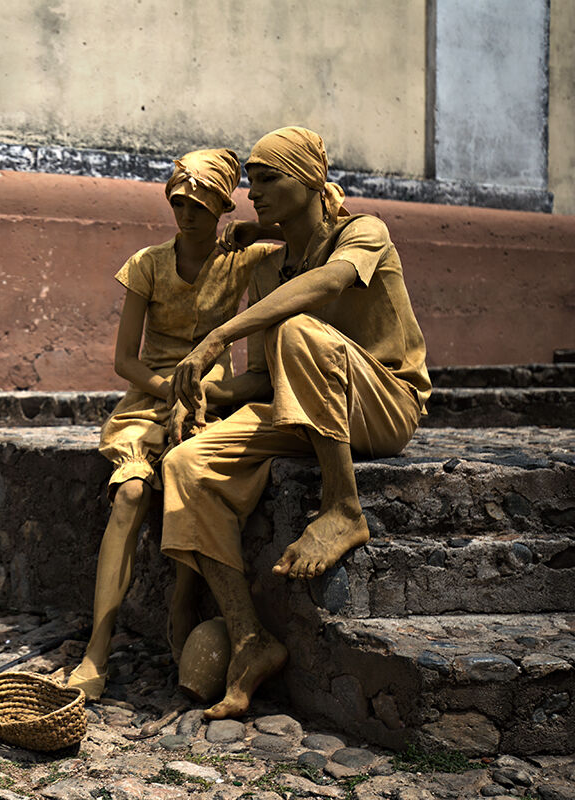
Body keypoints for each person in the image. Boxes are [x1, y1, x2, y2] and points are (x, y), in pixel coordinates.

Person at [161, 126, 431, 719]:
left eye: (267, 178)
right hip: (306, 405)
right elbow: (262, 377)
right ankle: (251, 638)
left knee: (297, 328)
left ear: (309, 180)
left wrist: (218, 335)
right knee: (186, 463)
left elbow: (330, 284)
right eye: (248, 181)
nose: (252, 193)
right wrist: (197, 390)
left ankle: (342, 507)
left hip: (384, 403)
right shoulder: (269, 269)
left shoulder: (364, 232)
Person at [66, 149, 279, 700]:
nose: (188, 214)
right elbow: (125, 362)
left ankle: (183, 599)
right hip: (149, 399)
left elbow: (315, 230)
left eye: (203, 205)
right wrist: (172, 391)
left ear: (222, 209)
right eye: (181, 201)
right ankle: (97, 649)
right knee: (132, 493)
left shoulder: (244, 260)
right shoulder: (147, 264)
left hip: (212, 400)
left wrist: (257, 226)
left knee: (192, 484)